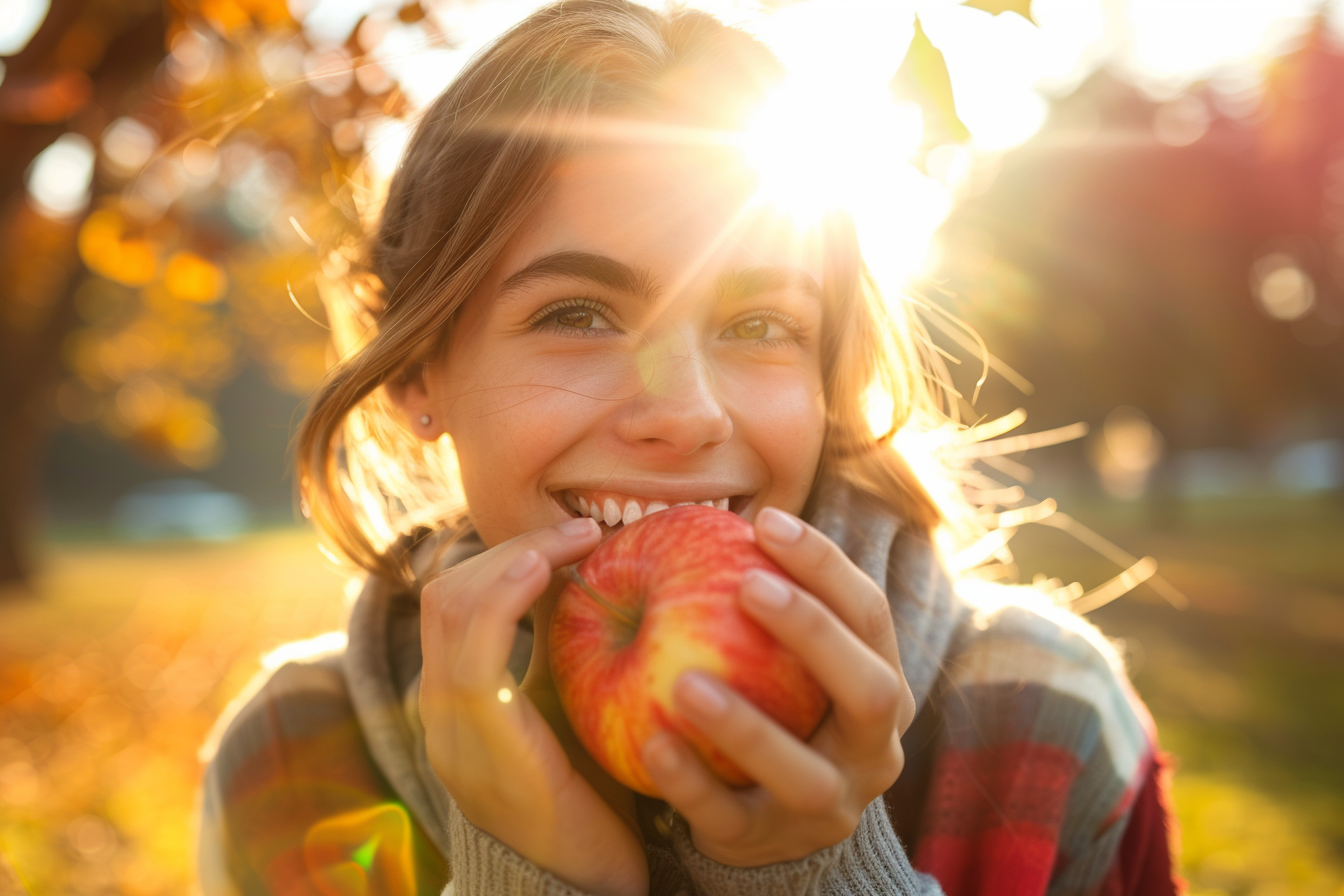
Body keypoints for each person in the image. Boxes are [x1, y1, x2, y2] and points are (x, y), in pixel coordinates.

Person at [198, 2, 1183, 894]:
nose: (687, 413)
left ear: (826, 376)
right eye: (577, 313)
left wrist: (819, 878)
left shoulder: (1042, 721)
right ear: (417, 371)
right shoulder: (291, 757)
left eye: (759, 324)